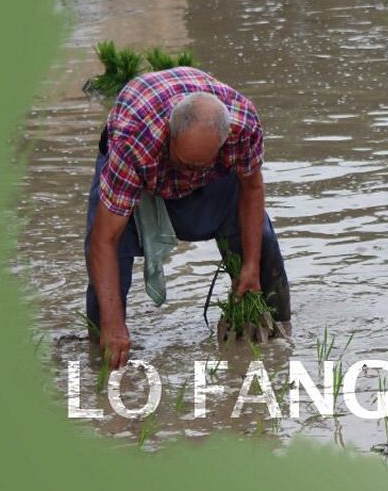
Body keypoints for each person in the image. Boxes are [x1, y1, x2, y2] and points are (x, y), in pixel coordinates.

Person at [84, 67, 291, 369]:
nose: (188, 173)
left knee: (261, 243)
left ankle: (279, 340)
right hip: (142, 168)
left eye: (198, 165)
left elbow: (252, 187)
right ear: (168, 133)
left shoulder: (243, 126)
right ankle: (102, 355)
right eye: (182, 162)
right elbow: (105, 239)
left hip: (212, 178)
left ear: (225, 140)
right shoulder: (134, 141)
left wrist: (250, 266)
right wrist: (113, 323)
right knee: (106, 295)